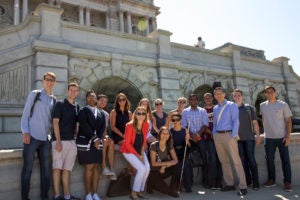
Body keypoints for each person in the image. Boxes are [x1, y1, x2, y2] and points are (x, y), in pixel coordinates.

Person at [21, 72, 57, 200]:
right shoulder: (35, 94)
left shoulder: (54, 99)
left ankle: (44, 197)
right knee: (27, 170)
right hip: (31, 138)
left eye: (52, 80)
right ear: (43, 81)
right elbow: (25, 114)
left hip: (45, 140)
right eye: (47, 79)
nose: (49, 82)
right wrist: (25, 131)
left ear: (54, 83)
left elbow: (52, 121)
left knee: (46, 172)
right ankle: (25, 198)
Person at [212, 87, 247, 196]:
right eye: (216, 94)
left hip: (229, 135)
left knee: (236, 161)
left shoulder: (232, 105)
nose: (218, 95)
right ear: (214, 96)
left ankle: (243, 186)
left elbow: (236, 121)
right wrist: (214, 134)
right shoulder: (215, 108)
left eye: (220, 93)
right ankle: (229, 184)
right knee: (224, 161)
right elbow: (214, 123)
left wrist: (233, 136)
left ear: (224, 93)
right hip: (218, 135)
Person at [260, 86, 293, 192]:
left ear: (275, 92)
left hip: (282, 137)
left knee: (285, 161)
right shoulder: (262, 105)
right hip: (268, 138)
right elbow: (264, 120)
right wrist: (265, 133)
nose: (270, 94)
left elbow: (288, 121)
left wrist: (288, 136)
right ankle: (271, 180)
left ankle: (287, 182)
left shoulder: (283, 104)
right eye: (267, 92)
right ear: (265, 94)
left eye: (271, 92)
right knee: (269, 160)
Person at [52, 83, 80, 200]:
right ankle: (57, 196)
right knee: (57, 168)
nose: (73, 92)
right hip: (60, 141)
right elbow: (55, 123)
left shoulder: (77, 106)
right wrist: (58, 141)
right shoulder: (59, 104)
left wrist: (76, 138)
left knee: (67, 169)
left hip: (71, 142)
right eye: (71, 90)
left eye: (75, 91)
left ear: (77, 93)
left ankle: (67, 196)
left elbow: (77, 124)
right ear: (67, 91)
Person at [76, 90, 106, 200]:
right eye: (89, 97)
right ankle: (88, 194)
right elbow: (84, 126)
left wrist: (99, 139)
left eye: (93, 97)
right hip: (86, 143)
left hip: (97, 144)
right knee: (89, 167)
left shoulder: (101, 113)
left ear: (96, 99)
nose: (91, 98)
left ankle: (95, 194)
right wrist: (95, 139)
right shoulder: (83, 111)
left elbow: (102, 127)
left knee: (96, 167)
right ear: (86, 99)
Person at [233, 89, 261, 190]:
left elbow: (255, 123)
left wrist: (258, 135)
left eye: (238, 95)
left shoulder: (249, 108)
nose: (237, 97)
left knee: (251, 160)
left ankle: (256, 183)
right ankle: (248, 181)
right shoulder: (232, 109)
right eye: (235, 96)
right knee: (243, 161)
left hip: (249, 138)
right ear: (233, 97)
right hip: (238, 139)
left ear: (242, 96)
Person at [120, 106, 150, 200]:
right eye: (139, 113)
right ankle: (133, 192)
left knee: (147, 168)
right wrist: (138, 156)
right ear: (135, 114)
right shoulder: (129, 126)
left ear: (145, 115)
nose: (141, 115)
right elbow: (127, 144)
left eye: (143, 113)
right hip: (128, 151)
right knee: (141, 169)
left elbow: (144, 140)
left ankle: (139, 191)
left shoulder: (146, 125)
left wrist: (141, 152)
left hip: (139, 150)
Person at [181, 94, 209, 188]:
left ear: (197, 101)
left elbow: (205, 125)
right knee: (188, 159)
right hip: (190, 138)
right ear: (189, 101)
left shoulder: (202, 110)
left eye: (194, 99)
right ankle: (189, 182)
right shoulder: (185, 111)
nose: (193, 101)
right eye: (191, 99)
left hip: (200, 137)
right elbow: (184, 125)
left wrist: (198, 135)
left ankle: (206, 181)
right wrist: (192, 135)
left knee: (205, 158)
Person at [147, 126, 181, 198]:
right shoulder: (154, 145)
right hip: (154, 172)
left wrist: (164, 166)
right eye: (163, 133)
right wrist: (166, 164)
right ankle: (151, 184)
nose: (165, 135)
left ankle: (172, 189)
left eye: (167, 134)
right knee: (165, 190)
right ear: (159, 134)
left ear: (169, 135)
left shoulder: (169, 145)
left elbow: (175, 160)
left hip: (164, 170)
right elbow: (153, 163)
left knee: (177, 167)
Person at [203, 92, 223, 190]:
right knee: (212, 160)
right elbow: (203, 125)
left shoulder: (217, 108)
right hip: (209, 138)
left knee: (220, 160)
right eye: (206, 98)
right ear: (204, 100)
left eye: (209, 97)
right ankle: (212, 183)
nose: (208, 99)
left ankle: (219, 182)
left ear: (212, 98)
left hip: (219, 137)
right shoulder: (203, 111)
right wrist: (211, 133)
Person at [169, 112, 192, 193]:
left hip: (183, 152)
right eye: (173, 120)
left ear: (180, 121)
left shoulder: (185, 130)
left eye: (177, 119)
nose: (175, 121)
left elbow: (189, 146)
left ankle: (188, 187)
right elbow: (169, 146)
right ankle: (177, 186)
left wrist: (187, 140)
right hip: (173, 153)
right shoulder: (170, 131)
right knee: (178, 166)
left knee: (185, 167)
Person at [97, 94, 117, 180]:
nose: (103, 103)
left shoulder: (106, 114)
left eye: (105, 102)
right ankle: (103, 166)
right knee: (105, 141)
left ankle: (112, 168)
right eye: (101, 100)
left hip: (102, 135)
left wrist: (105, 136)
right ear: (97, 101)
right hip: (94, 136)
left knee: (111, 141)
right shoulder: (93, 110)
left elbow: (104, 128)